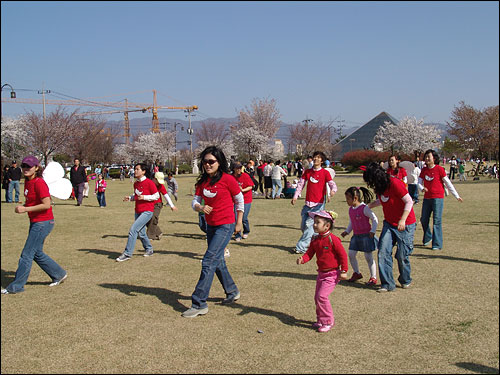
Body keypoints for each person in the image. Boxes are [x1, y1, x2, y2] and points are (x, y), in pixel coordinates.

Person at [182, 145, 243, 318]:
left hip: (226, 225)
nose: (208, 165)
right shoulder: (203, 182)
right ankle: (232, 291)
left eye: (211, 162)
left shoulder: (228, 179)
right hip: (211, 226)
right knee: (218, 261)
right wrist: (200, 207)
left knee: (208, 261)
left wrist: (239, 222)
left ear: (219, 162)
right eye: (205, 162)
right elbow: (195, 201)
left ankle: (199, 302)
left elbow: (239, 200)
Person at [1, 156, 67, 294]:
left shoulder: (39, 182)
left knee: (27, 254)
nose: (25, 168)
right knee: (36, 253)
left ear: (36, 168)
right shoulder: (27, 182)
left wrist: (25, 209)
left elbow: (46, 204)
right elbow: (33, 202)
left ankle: (16, 286)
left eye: (29, 166)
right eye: (24, 165)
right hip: (36, 222)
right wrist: (25, 206)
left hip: (43, 222)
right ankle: (59, 274)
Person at [363, 162, 417, 293]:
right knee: (383, 251)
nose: (370, 184)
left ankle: (405, 279)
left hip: (405, 224)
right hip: (389, 224)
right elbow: (383, 200)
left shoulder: (395, 183)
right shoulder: (379, 188)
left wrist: (403, 220)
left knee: (401, 255)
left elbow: (409, 201)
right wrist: (368, 206)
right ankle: (387, 284)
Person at [296, 210, 348, 333]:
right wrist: (303, 259)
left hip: (332, 274)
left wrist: (344, 270)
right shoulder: (315, 239)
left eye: (317, 222)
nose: (314, 225)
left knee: (322, 296)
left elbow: (342, 255)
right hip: (321, 273)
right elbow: (310, 253)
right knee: (317, 297)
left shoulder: (333, 239)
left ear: (327, 226)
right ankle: (320, 319)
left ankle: (328, 321)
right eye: (314, 222)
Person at [291, 151, 337, 254]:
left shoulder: (325, 173)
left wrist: (333, 190)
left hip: (318, 204)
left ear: (322, 160)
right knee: (304, 226)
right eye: (314, 157)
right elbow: (300, 184)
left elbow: (332, 184)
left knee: (309, 225)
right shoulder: (308, 172)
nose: (315, 159)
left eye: (318, 157)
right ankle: (314, 242)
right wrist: (295, 196)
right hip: (308, 204)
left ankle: (300, 248)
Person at [418, 149, 463, 250]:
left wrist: (456, 195)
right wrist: (422, 188)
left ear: (434, 158)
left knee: (436, 221)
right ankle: (428, 236)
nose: (427, 159)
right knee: (424, 219)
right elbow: (419, 182)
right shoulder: (424, 170)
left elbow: (448, 183)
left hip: (437, 198)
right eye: (426, 157)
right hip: (427, 198)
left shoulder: (439, 169)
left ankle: (437, 244)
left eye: (429, 157)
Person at [116, 163, 159, 261]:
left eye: (137, 169)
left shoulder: (149, 182)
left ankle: (127, 253)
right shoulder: (136, 183)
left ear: (143, 171)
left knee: (133, 230)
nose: (135, 171)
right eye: (135, 169)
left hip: (147, 211)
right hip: (138, 210)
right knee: (141, 233)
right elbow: (137, 196)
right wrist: (130, 198)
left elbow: (156, 196)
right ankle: (149, 249)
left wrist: (145, 197)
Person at [340, 187, 379, 286]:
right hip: (356, 236)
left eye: (348, 199)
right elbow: (352, 222)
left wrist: (373, 231)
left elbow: (375, 219)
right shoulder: (351, 209)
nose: (347, 201)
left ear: (355, 198)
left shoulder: (364, 208)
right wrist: (347, 231)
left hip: (366, 236)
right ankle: (357, 273)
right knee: (351, 254)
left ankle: (373, 277)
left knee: (368, 257)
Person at [146, 172, 178, 241]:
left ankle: (150, 236)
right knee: (147, 219)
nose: (159, 183)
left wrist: (172, 205)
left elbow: (166, 195)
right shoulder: (148, 184)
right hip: (148, 204)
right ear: (154, 179)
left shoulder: (160, 186)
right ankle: (158, 232)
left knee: (154, 218)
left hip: (157, 204)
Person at [231, 162, 254, 241]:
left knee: (244, 217)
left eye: (240, 168)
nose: (239, 170)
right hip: (236, 200)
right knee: (236, 217)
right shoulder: (231, 177)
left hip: (246, 199)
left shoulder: (245, 176)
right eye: (237, 168)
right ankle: (237, 234)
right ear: (233, 169)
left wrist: (242, 190)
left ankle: (246, 231)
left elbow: (251, 186)